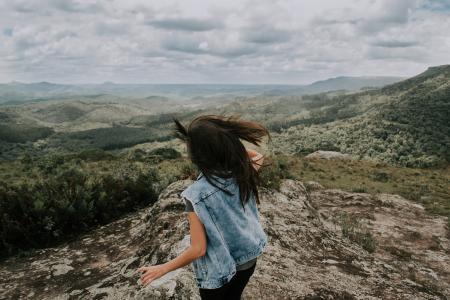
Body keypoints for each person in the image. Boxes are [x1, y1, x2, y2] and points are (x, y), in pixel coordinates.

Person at [137, 114, 271, 300]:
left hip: (220, 272)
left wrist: (163, 268)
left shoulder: (195, 196)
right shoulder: (241, 172)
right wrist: (233, 151)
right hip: (248, 260)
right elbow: (258, 156)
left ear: (197, 156)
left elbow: (198, 249)